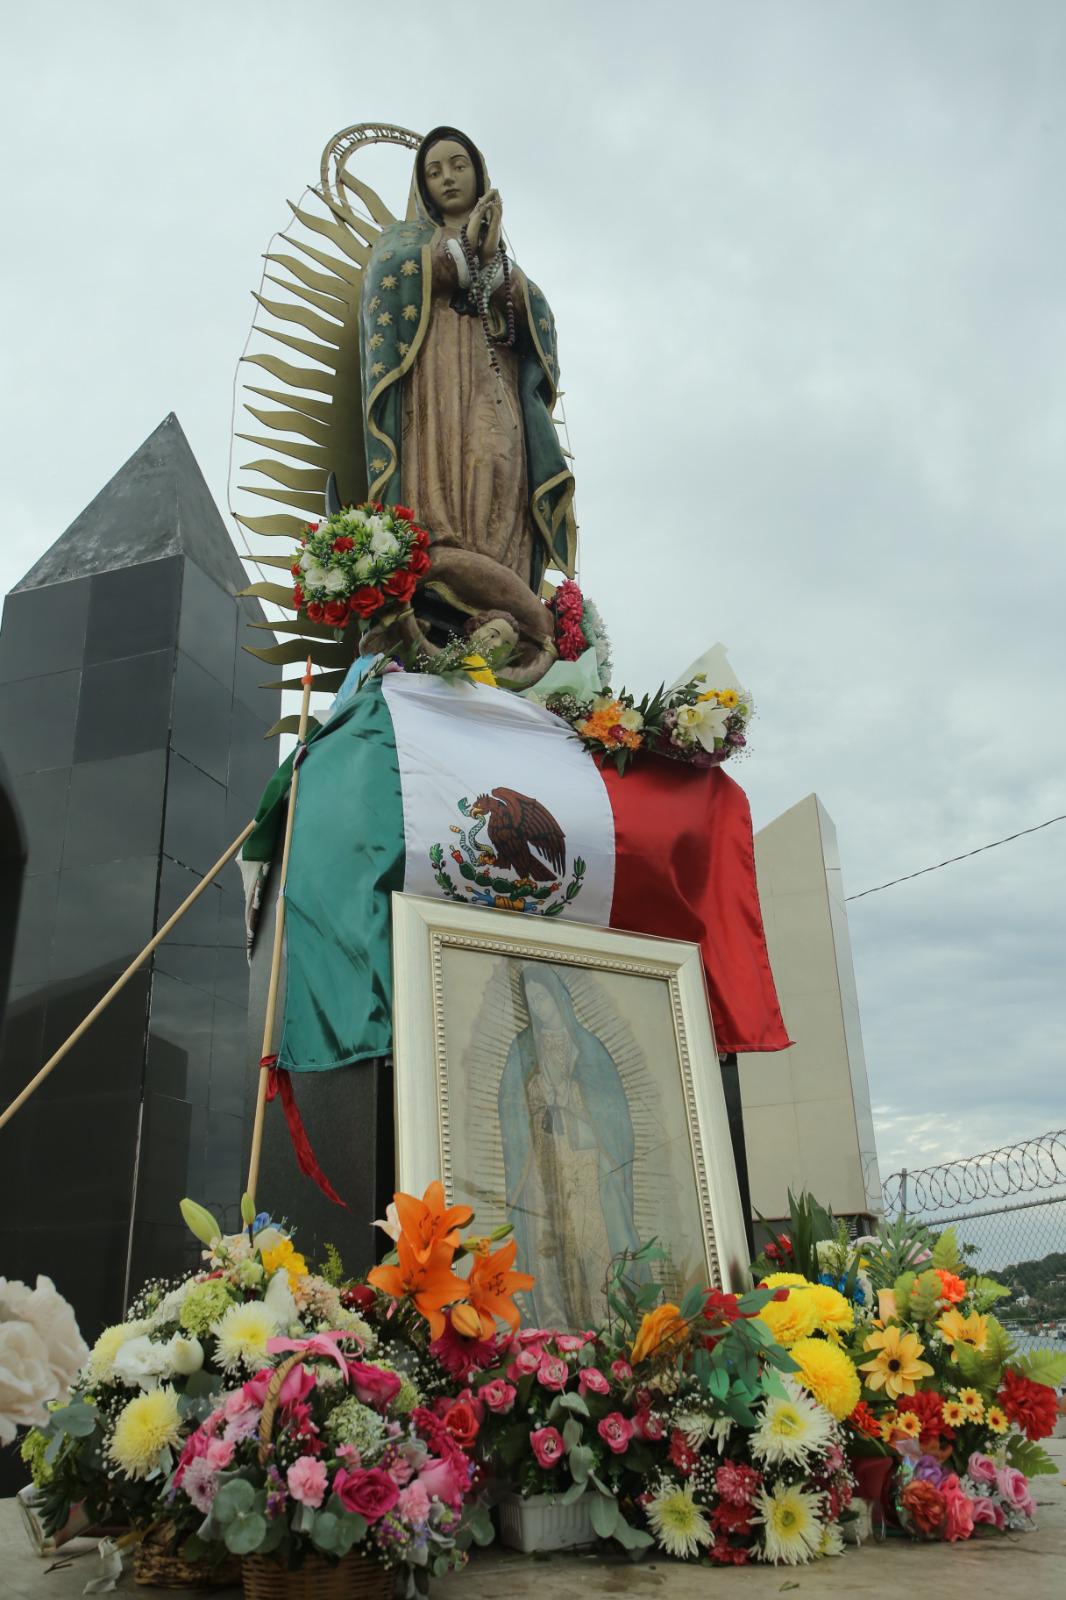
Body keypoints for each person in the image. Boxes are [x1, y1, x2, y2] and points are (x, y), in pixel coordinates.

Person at [358, 126, 576, 658]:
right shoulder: (405, 243)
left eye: (458, 166)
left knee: (494, 457)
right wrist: (459, 256)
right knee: (446, 461)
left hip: (493, 378)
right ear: (422, 185)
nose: (448, 178)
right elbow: (385, 278)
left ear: (479, 174)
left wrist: (495, 266)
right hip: (434, 384)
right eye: (434, 171)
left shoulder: (507, 264)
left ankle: (504, 586)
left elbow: (539, 319)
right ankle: (437, 570)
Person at [498, 964, 644, 1329]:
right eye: (531, 1000)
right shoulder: (522, 1048)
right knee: (547, 1238)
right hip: (541, 1157)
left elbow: (611, 1113)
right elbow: (511, 1108)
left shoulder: (589, 1048)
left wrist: (571, 1097)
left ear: (559, 997)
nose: (539, 1006)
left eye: (543, 997)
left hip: (584, 1158)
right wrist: (539, 1095)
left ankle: (606, 1319)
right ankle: (554, 1324)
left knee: (589, 1234)